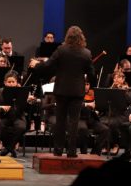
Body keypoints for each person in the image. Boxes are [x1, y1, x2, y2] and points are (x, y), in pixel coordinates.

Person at [29, 25, 95, 157]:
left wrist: (36, 65)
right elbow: (92, 75)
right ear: (81, 37)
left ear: (68, 36)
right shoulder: (86, 53)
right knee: (74, 122)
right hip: (77, 92)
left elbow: (48, 65)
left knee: (60, 121)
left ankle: (58, 150)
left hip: (62, 90)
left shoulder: (61, 50)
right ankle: (71, 151)